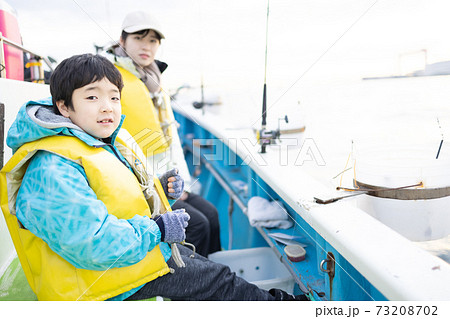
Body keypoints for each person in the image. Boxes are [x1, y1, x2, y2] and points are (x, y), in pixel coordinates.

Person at [0, 53, 307, 301]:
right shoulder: (51, 168)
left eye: (114, 97)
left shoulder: (93, 140)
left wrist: (160, 191)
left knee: (203, 264)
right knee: (217, 280)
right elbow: (92, 245)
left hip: (119, 260)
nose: (107, 107)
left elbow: (110, 199)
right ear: (64, 106)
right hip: (95, 284)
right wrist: (157, 229)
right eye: (92, 98)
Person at [104, 11, 221, 257]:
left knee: (211, 213)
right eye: (139, 38)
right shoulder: (110, 78)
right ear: (122, 41)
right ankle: (188, 280)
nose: (147, 46)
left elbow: (170, 141)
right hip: (139, 183)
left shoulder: (153, 81)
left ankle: (212, 276)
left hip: (164, 179)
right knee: (197, 223)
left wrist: (181, 185)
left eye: (153, 41)